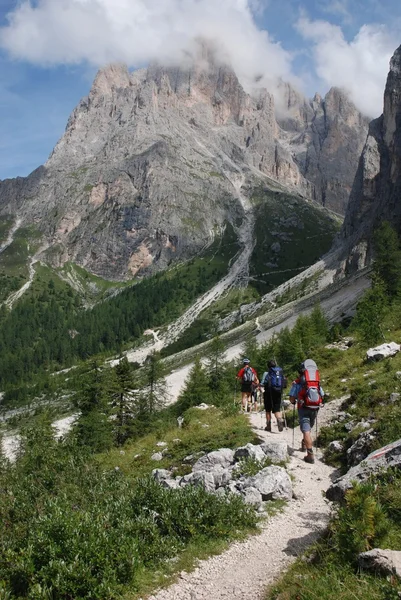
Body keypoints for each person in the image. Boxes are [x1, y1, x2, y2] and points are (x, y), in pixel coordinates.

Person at [289, 360, 324, 464]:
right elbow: (322, 394)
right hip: (315, 408)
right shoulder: (315, 382)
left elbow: (291, 399)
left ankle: (310, 454)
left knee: (306, 430)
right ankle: (304, 443)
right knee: (309, 427)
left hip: (303, 408)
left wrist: (294, 400)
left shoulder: (298, 383)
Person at [261, 360, 285, 432]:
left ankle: (268, 426)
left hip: (269, 393)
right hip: (278, 392)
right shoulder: (279, 373)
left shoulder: (266, 373)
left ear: (268, 366)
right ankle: (279, 419)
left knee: (268, 409)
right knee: (277, 409)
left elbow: (263, 383)